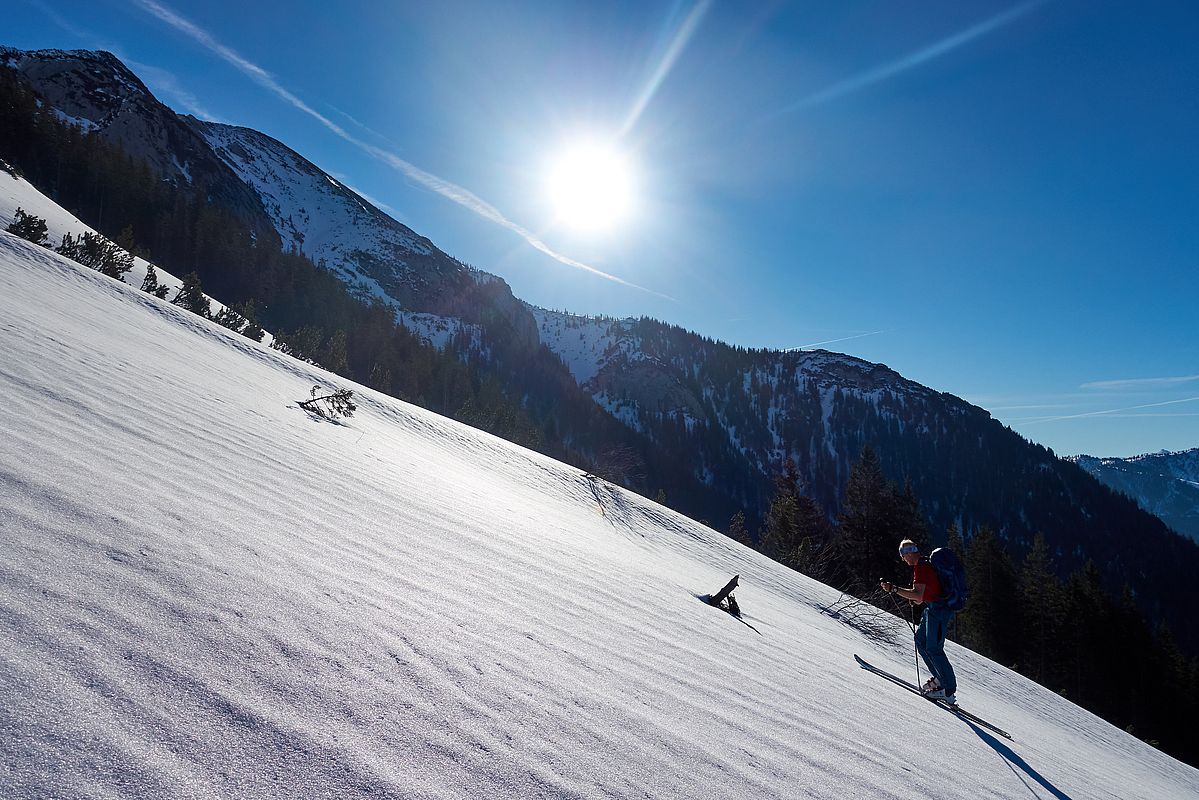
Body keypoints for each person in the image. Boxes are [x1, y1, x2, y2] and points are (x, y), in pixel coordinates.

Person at [880, 539, 957, 704]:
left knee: (934, 648)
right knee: (920, 641)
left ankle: (948, 690)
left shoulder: (921, 568)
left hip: (939, 610)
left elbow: (917, 595)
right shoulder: (923, 565)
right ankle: (940, 679)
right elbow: (921, 596)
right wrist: (914, 596)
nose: (903, 559)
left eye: (903, 555)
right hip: (933, 608)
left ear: (909, 552)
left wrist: (894, 589)